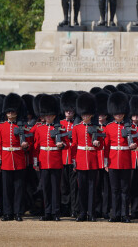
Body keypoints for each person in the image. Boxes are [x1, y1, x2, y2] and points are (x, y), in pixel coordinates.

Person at [0, 93, 32, 222]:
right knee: (7, 189)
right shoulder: (1, 126)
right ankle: (7, 213)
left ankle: (18, 212)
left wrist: (26, 145)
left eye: (13, 112)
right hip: (6, 160)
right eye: (9, 112)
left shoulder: (22, 126)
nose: (11, 114)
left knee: (19, 189)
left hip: (19, 160)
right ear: (6, 112)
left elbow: (30, 144)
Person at [33, 95, 68, 221]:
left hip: (56, 161)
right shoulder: (39, 128)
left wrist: (62, 145)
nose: (48, 117)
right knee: (46, 188)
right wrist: (35, 162)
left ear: (54, 115)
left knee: (55, 188)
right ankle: (47, 212)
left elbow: (67, 143)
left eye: (50, 115)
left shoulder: (60, 128)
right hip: (43, 161)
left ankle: (56, 212)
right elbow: (36, 147)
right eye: (46, 115)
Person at [105, 91, 137, 223]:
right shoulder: (109, 127)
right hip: (113, 161)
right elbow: (106, 147)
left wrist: (134, 145)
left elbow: (136, 142)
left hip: (125, 161)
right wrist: (106, 163)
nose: (119, 115)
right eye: (117, 113)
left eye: (121, 113)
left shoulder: (130, 127)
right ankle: (115, 214)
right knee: (114, 190)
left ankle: (125, 214)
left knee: (125, 190)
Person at [71, 93, 103, 222]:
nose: (85, 117)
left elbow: (101, 147)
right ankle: (82, 212)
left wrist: (98, 143)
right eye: (83, 115)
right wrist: (74, 162)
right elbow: (74, 145)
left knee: (92, 188)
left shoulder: (96, 128)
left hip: (92, 160)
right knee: (82, 188)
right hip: (80, 160)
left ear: (91, 115)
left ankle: (92, 213)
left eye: (87, 115)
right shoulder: (76, 128)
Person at [60, 90, 79, 218]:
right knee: (63, 185)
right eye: (67, 110)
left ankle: (74, 209)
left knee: (74, 185)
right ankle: (65, 208)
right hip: (62, 158)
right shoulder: (60, 124)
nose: (68, 112)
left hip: (73, 158)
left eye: (71, 110)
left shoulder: (77, 124)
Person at [94, 91, 111, 219]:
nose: (100, 116)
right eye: (99, 114)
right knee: (96, 186)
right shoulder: (93, 127)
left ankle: (105, 210)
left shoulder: (109, 127)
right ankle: (97, 209)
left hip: (107, 159)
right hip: (95, 159)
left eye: (103, 114)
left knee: (107, 187)